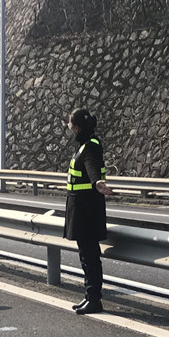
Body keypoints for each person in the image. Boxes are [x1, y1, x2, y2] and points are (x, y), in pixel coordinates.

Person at [64, 108, 114, 315]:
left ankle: (94, 299)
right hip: (82, 209)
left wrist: (97, 182)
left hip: (87, 211)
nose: (68, 127)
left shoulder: (90, 146)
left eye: (70, 124)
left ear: (77, 127)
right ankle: (89, 296)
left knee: (90, 257)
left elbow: (92, 166)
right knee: (86, 256)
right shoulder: (85, 145)